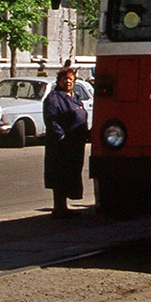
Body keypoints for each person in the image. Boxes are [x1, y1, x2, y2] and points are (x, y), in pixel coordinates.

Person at [43, 65, 88, 218]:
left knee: (70, 175)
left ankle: (64, 208)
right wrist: (62, 138)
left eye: (70, 79)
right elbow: (52, 120)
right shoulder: (54, 98)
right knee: (60, 176)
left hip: (75, 144)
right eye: (64, 79)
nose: (67, 82)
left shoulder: (74, 97)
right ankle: (59, 209)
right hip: (61, 145)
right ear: (59, 81)